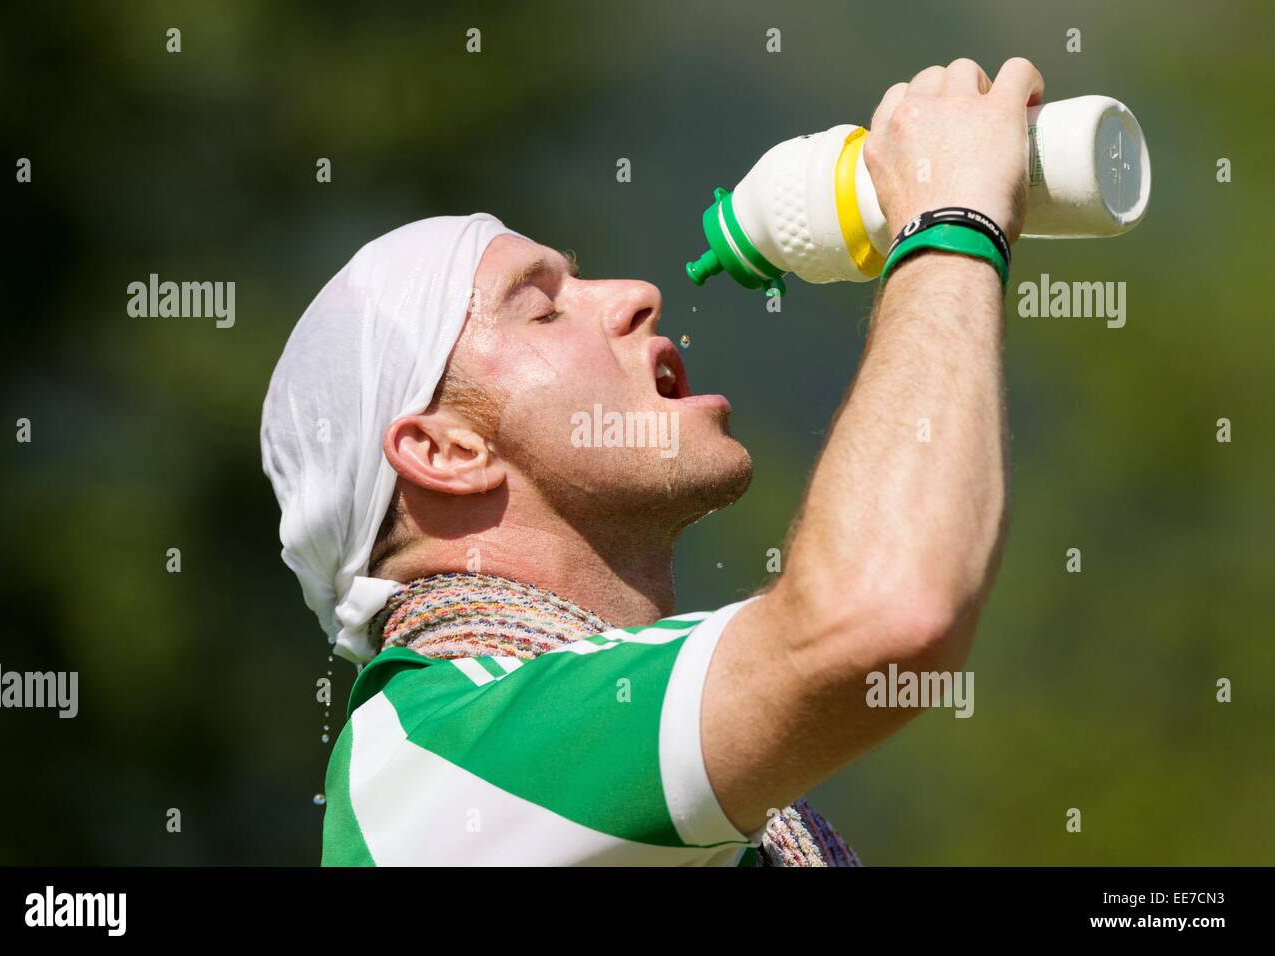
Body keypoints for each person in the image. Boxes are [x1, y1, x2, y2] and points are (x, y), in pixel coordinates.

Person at [261, 56, 1039, 866]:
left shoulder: (596, 781)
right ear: (447, 452)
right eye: (543, 309)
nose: (637, 293)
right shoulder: (437, 755)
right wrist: (950, 224)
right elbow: (880, 614)